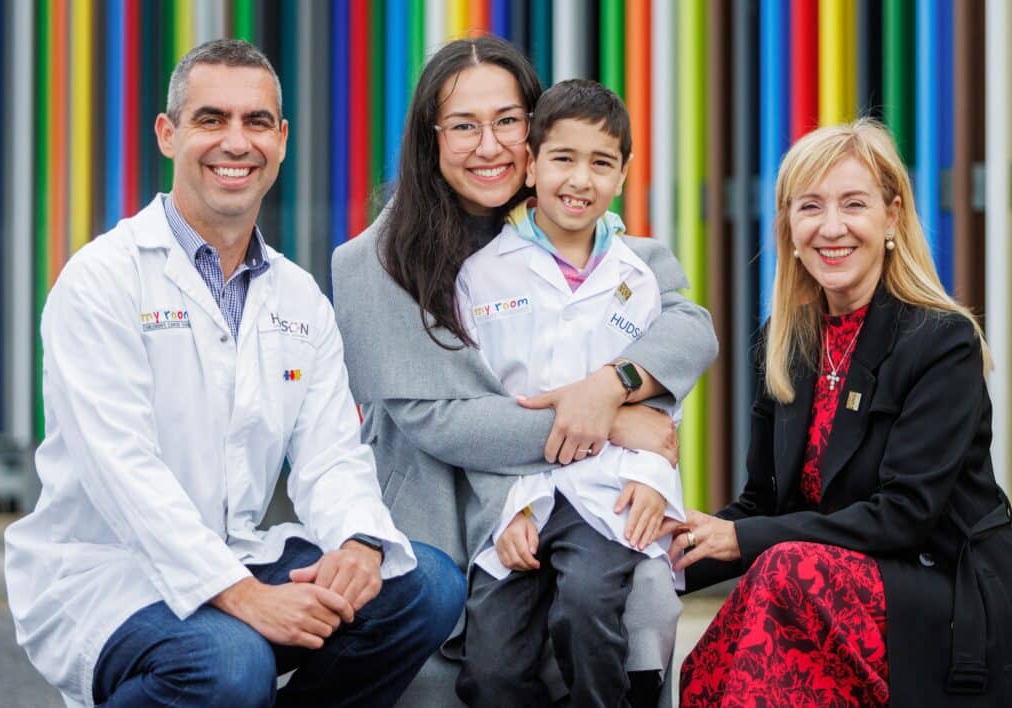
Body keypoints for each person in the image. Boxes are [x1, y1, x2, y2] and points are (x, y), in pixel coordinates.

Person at [4, 39, 465, 708]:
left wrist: (360, 542)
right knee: (230, 664)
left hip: (239, 551)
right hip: (106, 572)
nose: (235, 142)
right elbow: (124, 473)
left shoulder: (298, 297)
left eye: (255, 123)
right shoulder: (103, 280)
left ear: (280, 141)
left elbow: (331, 456)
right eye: (211, 119)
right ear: (168, 134)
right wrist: (243, 597)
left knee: (423, 583)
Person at [332, 35, 717, 707]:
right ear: (430, 138)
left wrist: (612, 386)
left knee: (626, 605)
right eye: (463, 126)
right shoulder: (373, 262)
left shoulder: (588, 238)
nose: (489, 146)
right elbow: (438, 421)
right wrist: (609, 422)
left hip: (573, 502)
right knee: (492, 670)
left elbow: (688, 326)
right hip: (444, 519)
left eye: (508, 121)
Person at [668, 119, 1012, 707]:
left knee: (778, 575)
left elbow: (905, 516)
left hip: (942, 592)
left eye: (854, 204)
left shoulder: (941, 341)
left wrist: (742, 539)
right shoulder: (786, 342)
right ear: (789, 228)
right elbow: (762, 506)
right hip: (817, 579)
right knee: (707, 668)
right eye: (810, 207)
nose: (832, 228)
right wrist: (667, 559)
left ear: (892, 217)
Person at [453, 79, 689, 708]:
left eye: (601, 162)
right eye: (563, 158)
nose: (580, 180)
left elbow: (659, 410)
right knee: (493, 667)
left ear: (624, 174)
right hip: (524, 497)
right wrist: (508, 511)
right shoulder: (480, 276)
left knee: (585, 612)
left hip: (608, 494)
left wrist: (650, 481)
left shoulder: (637, 277)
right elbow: (479, 408)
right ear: (529, 162)